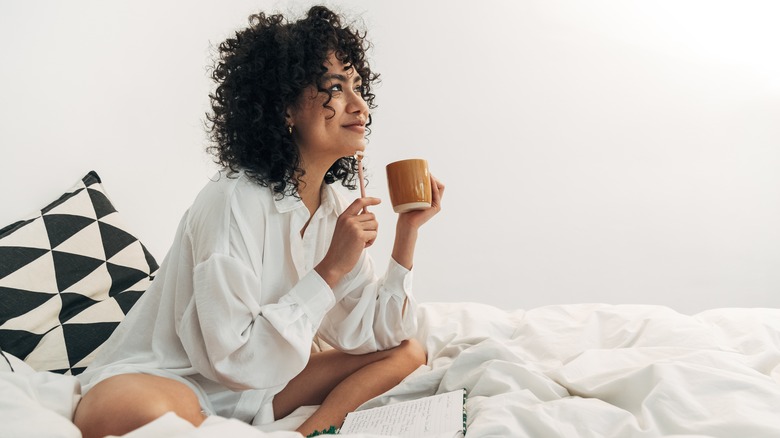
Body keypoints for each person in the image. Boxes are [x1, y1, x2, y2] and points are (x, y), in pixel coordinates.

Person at [73, 5, 444, 438]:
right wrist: (330, 270)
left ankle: (310, 434)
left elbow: (367, 333)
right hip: (177, 380)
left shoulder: (335, 207)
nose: (360, 106)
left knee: (407, 352)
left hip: (260, 390)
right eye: (336, 87)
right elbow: (231, 357)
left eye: (358, 86)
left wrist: (407, 232)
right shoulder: (232, 199)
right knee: (119, 414)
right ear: (285, 108)